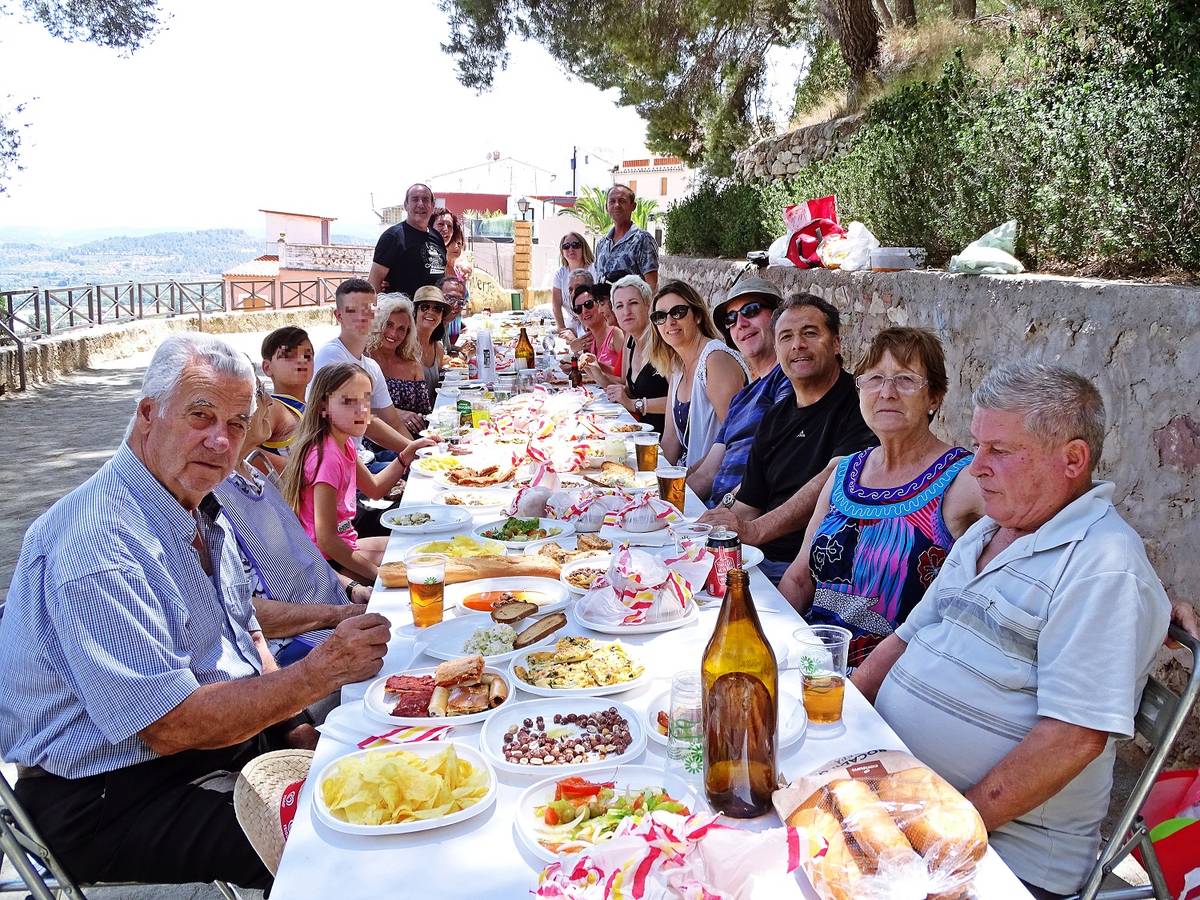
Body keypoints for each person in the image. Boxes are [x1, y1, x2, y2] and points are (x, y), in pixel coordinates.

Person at [0, 333, 390, 890]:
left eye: (236, 424)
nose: (220, 440)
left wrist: (296, 730)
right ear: (148, 414)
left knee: (391, 772)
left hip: (207, 747)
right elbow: (169, 724)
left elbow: (247, 634)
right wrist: (320, 672)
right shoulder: (98, 544)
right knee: (351, 848)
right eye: (201, 415)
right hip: (112, 799)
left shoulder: (200, 503)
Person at [852, 361, 1172, 898]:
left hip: (996, 848)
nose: (976, 468)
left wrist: (944, 834)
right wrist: (842, 718)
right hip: (895, 787)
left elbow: (1072, 739)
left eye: (999, 451)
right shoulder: (991, 530)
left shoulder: (1102, 566)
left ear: (1072, 459)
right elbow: (906, 637)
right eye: (977, 445)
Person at [779, 327, 985, 664]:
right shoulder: (845, 473)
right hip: (816, 666)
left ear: (934, 398)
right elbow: (799, 578)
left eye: (905, 380)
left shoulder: (962, 478)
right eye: (874, 379)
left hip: (895, 682)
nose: (887, 392)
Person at [699, 293, 877, 583]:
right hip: (757, 559)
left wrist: (754, 531)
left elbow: (833, 480)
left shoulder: (860, 403)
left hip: (812, 569)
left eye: (810, 333)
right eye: (786, 337)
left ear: (835, 343)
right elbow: (749, 501)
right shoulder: (775, 417)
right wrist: (706, 529)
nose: (797, 345)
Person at [215, 376, 368, 669]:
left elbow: (303, 559)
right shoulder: (214, 499)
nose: (270, 402)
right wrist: (339, 614)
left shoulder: (255, 472)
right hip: (295, 647)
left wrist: (352, 590)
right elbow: (244, 611)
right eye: (261, 393)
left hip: (331, 611)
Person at [282, 363, 424, 583]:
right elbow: (326, 540)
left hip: (347, 545)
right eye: (349, 401)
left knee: (420, 549)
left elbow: (375, 489)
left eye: (366, 399)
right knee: (417, 567)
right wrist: (379, 576)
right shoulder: (326, 457)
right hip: (327, 564)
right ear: (324, 406)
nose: (362, 410)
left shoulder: (343, 443)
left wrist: (405, 456)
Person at [686, 277, 792, 507]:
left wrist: (722, 512)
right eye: (731, 318)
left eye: (751, 310)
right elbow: (706, 474)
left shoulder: (789, 382)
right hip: (713, 513)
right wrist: (662, 500)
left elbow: (775, 467)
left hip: (739, 522)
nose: (740, 323)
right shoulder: (741, 399)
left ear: (779, 317)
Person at [311, 278, 425, 454]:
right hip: (335, 462)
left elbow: (393, 421)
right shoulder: (332, 354)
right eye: (353, 310)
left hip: (361, 456)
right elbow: (363, 421)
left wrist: (420, 455)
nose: (362, 317)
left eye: (368, 309)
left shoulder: (370, 366)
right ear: (338, 315)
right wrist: (414, 452)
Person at [648, 279, 748, 468]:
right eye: (660, 316)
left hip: (714, 483)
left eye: (678, 312)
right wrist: (651, 481)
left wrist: (687, 482)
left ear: (698, 316)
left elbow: (735, 441)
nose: (669, 322)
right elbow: (670, 439)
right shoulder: (677, 367)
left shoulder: (716, 360)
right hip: (685, 476)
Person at [594, 274, 668, 434]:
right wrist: (596, 372)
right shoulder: (631, 340)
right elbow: (628, 392)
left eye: (633, 303)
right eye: (619, 306)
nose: (626, 311)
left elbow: (681, 402)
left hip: (659, 439)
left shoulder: (663, 343)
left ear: (648, 305)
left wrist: (636, 405)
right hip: (637, 433)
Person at [367, 294, 432, 437]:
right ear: (378, 324)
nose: (393, 333)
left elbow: (425, 414)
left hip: (411, 439)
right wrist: (397, 414)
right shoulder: (362, 361)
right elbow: (352, 409)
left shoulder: (413, 367)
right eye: (388, 324)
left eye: (401, 328)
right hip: (371, 444)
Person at [368, 183, 446, 296]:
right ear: (406, 205)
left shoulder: (437, 238)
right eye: (415, 199)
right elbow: (374, 284)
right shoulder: (392, 237)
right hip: (402, 312)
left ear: (432, 205)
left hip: (433, 312)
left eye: (425, 199)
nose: (420, 204)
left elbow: (442, 276)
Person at [260, 325, 313, 459]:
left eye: (307, 356)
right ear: (267, 368)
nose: (301, 361)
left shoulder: (312, 407)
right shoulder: (273, 409)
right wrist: (294, 473)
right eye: (289, 355)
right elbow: (242, 451)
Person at [593, 184, 658, 289]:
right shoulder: (601, 244)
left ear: (633, 206)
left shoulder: (642, 240)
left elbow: (652, 286)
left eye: (622, 201)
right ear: (606, 207)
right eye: (612, 201)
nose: (617, 205)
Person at [572, 284, 625, 380]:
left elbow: (626, 378)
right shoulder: (588, 340)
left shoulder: (616, 334)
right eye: (578, 309)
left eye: (588, 304)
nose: (584, 311)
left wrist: (595, 366)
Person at [413, 283, 450, 400]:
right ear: (414, 312)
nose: (431, 312)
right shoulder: (404, 346)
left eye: (437, 308)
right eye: (425, 307)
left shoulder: (438, 349)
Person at [552, 232, 595, 333]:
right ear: (562, 251)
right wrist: (563, 330)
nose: (571, 249)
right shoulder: (560, 274)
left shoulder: (594, 269)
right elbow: (556, 306)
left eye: (575, 245)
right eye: (566, 246)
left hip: (592, 325)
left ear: (583, 248)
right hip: (572, 326)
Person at [438, 274, 467, 350]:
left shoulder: (445, 322)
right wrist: (463, 355)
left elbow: (445, 350)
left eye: (461, 302)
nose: (456, 305)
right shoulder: (430, 327)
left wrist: (459, 349)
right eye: (450, 299)